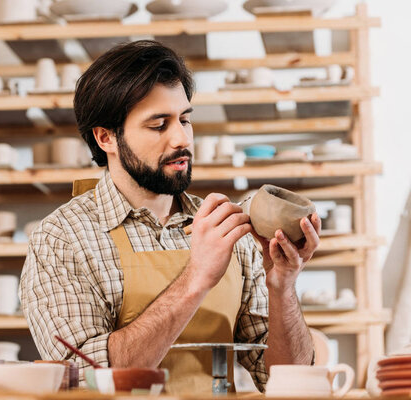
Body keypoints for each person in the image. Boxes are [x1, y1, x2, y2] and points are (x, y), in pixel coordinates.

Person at [19, 40, 320, 394]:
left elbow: (286, 381)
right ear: (106, 138)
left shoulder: (224, 228)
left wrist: (282, 285)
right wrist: (196, 279)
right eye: (159, 125)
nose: (181, 138)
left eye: (185, 119)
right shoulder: (62, 239)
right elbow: (84, 379)